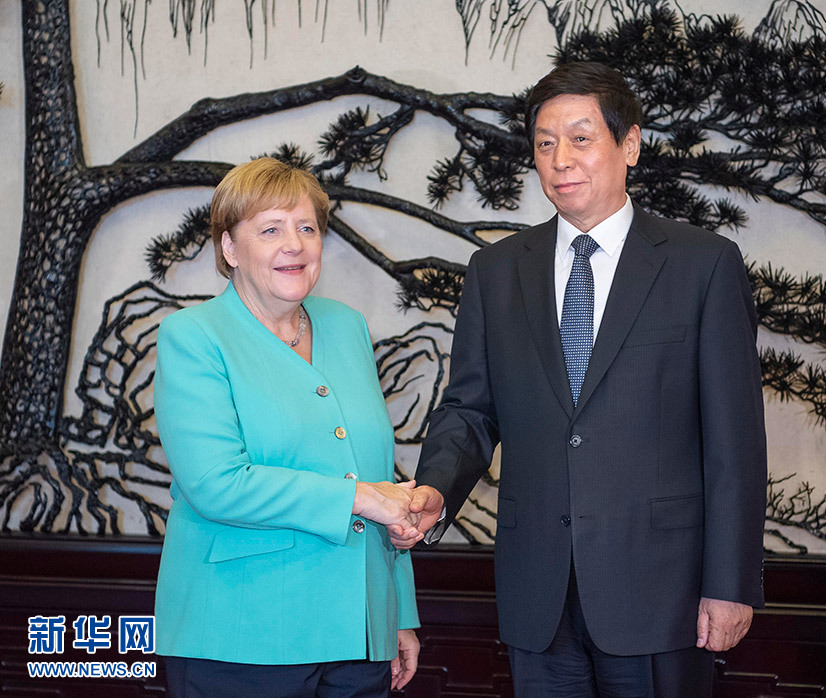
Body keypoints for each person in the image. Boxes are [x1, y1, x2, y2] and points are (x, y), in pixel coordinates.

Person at [396, 62, 767, 697]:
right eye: (545, 143)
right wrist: (435, 488)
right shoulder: (495, 270)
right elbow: (470, 410)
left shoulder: (703, 265)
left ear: (630, 144)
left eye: (580, 138)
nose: (560, 159)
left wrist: (730, 584)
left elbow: (735, 441)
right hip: (537, 590)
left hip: (662, 591)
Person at [154, 157, 423, 698]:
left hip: (359, 634)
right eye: (271, 230)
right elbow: (216, 484)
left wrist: (398, 612)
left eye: (307, 228)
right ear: (230, 248)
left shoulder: (347, 326)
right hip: (240, 636)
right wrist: (359, 499)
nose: (294, 245)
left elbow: (377, 477)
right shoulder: (193, 337)